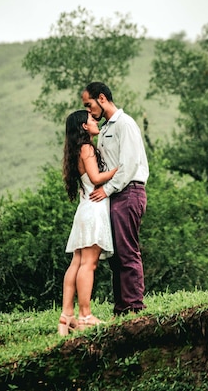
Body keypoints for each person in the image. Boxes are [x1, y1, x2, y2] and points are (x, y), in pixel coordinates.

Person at [82, 82, 149, 316]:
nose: (89, 111)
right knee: (116, 254)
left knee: (127, 251)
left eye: (88, 104)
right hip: (115, 195)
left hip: (128, 192)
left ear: (101, 98)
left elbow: (129, 165)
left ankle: (134, 307)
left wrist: (107, 190)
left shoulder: (125, 124)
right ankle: (121, 307)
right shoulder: (104, 131)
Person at [58, 109, 118, 336]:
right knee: (88, 264)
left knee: (77, 262)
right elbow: (96, 178)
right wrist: (118, 169)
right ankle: (85, 315)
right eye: (92, 119)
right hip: (94, 210)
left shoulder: (75, 150)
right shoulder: (87, 148)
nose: (96, 121)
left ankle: (67, 315)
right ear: (84, 126)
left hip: (84, 209)